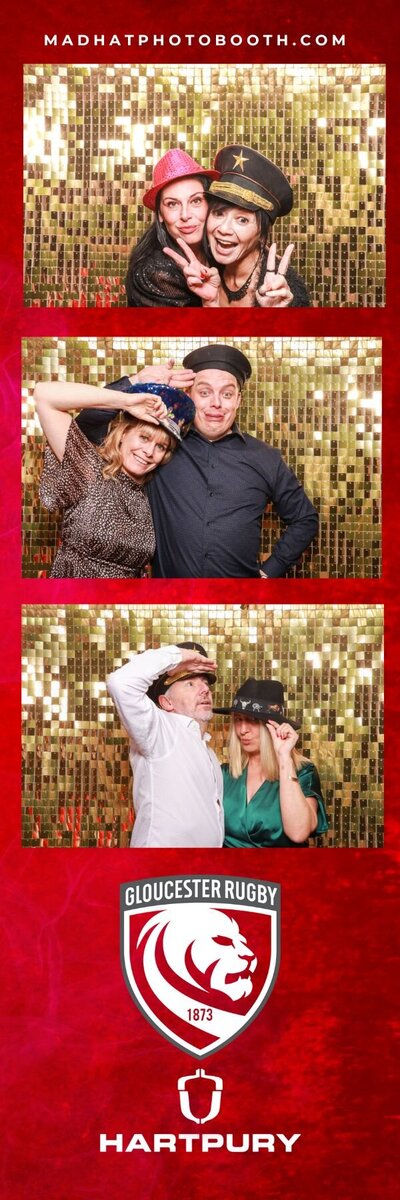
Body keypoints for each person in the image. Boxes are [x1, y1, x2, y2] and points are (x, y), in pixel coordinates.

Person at [77, 344, 318, 578]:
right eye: (204, 392)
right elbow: (84, 428)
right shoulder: (161, 446)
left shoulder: (265, 457)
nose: (216, 403)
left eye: (227, 394)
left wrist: (268, 572)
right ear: (188, 395)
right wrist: (134, 382)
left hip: (239, 599)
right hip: (170, 599)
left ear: (238, 401)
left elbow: (305, 519)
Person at [34, 377, 194, 578]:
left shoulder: (151, 495)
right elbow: (44, 395)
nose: (149, 451)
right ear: (123, 433)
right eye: (144, 437)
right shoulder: (90, 468)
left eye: (161, 446)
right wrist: (126, 400)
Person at [106, 642, 224, 848]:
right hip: (161, 864)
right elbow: (121, 683)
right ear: (166, 703)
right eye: (190, 684)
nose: (205, 690)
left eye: (205, 683)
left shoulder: (208, 751)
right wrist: (177, 656)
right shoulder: (159, 731)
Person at [163, 144, 310, 308]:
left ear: (262, 233)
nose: (224, 229)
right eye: (219, 213)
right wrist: (211, 304)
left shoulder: (283, 292)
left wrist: (273, 318)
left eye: (242, 220)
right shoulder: (205, 267)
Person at [213, 678, 328, 847]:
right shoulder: (224, 773)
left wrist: (284, 757)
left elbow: (298, 833)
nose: (242, 730)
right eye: (238, 719)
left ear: (273, 725)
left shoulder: (303, 771)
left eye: (252, 720)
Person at [125, 148, 220, 307]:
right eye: (172, 204)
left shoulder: (219, 252)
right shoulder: (154, 273)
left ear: (210, 204)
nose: (185, 215)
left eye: (196, 201)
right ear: (160, 214)